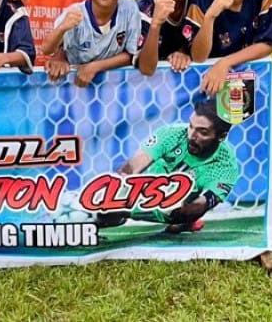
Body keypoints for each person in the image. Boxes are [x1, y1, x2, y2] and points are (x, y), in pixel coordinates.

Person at [90, 100, 238, 234]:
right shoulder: (172, 134)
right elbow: (133, 166)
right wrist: (118, 189)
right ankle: (109, 216)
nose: (191, 136)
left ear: (221, 136)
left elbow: (203, 204)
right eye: (191, 126)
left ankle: (185, 222)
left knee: (185, 214)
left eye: (203, 132)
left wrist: (183, 209)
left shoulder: (225, 165)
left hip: (179, 208)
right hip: (144, 194)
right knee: (106, 209)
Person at [41, 0, 140, 87]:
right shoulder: (74, 14)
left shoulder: (129, 8)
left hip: (114, 85)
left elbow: (130, 54)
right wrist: (62, 28)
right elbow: (47, 49)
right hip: (75, 85)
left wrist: (95, 67)